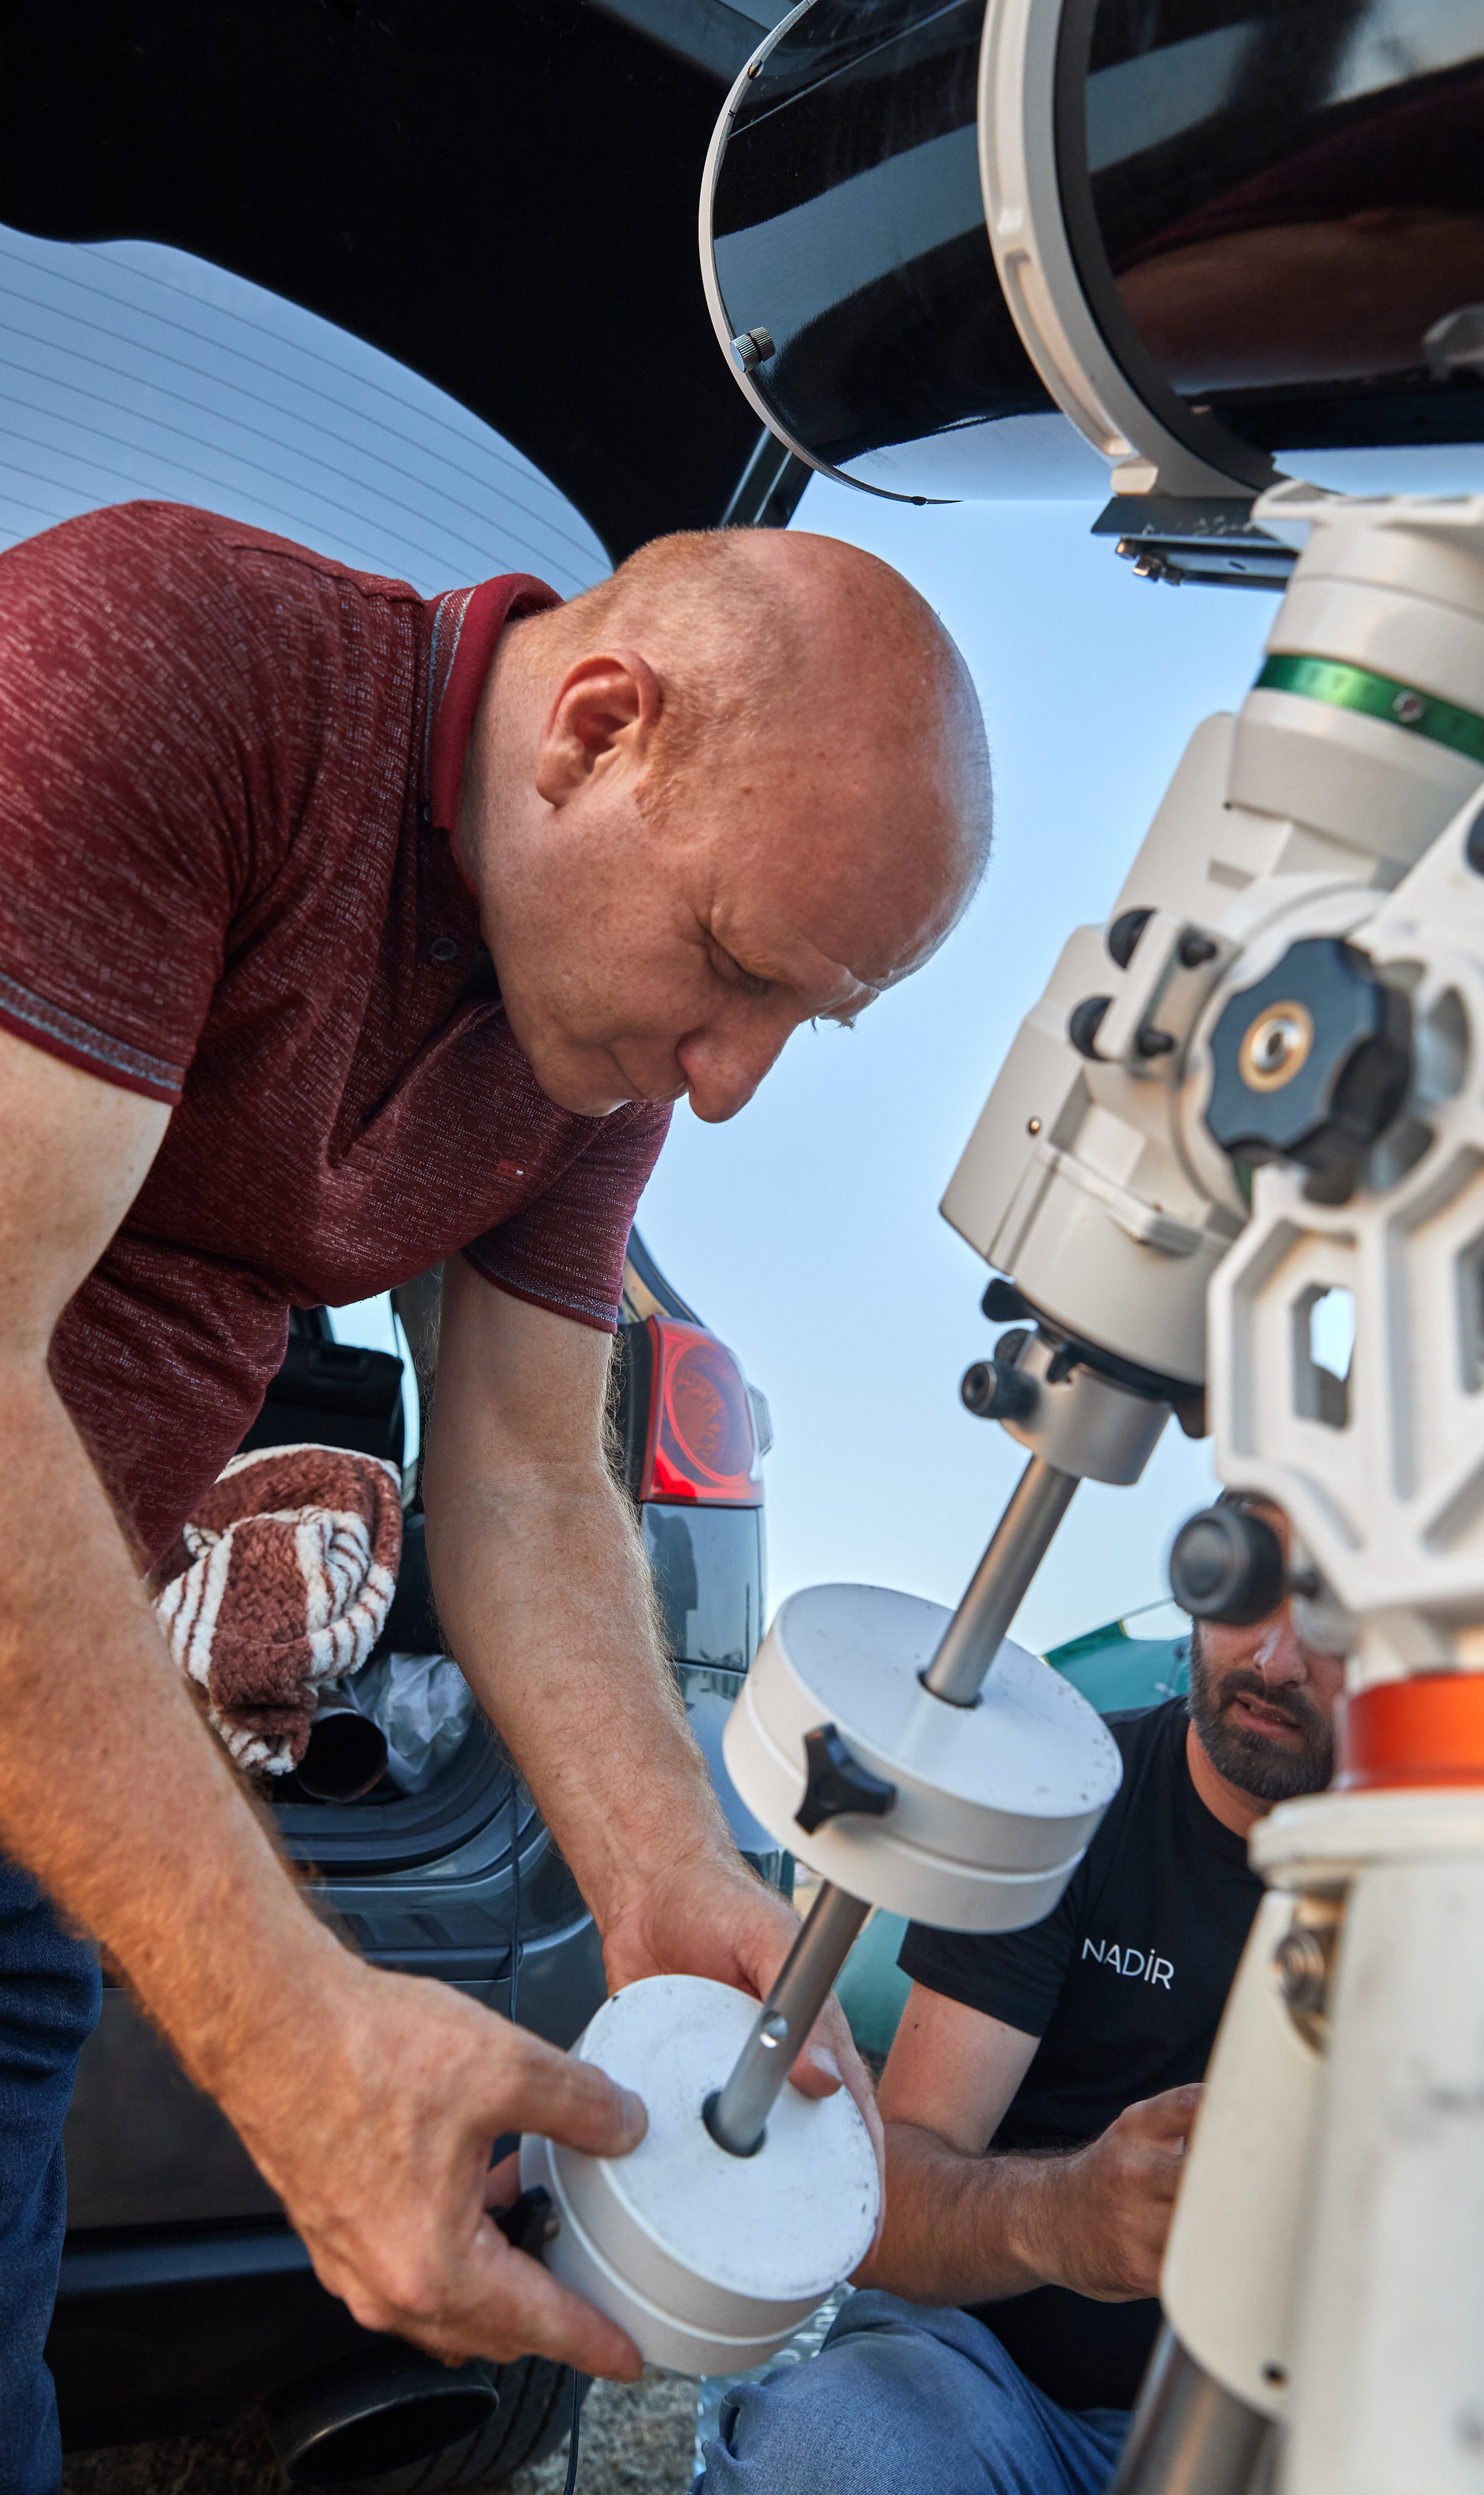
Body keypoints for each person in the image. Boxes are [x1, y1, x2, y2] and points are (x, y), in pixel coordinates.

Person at [0, 500, 991, 2491]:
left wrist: (660, 1873)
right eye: (732, 968)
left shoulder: (587, 1059)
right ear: (594, 727)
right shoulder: (169, 666)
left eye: (811, 1019)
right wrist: (294, 2037)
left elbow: (530, 1472)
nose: (725, 1086)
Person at [694, 1498, 1344, 2495]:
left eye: (1335, 1614)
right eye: (1246, 1591)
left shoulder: (1464, 1876)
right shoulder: (1062, 1810)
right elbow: (889, 2208)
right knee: (831, 2455)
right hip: (996, 2396)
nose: (1275, 1659)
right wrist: (1064, 2218)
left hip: (1299, 2435)